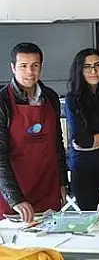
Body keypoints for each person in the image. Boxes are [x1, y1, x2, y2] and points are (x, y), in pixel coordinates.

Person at [0, 43, 67, 223]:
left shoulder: (51, 97)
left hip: (47, 186)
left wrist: (62, 182)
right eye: (23, 66)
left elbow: (57, 144)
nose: (30, 72)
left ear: (41, 67)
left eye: (35, 65)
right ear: (13, 68)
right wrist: (15, 198)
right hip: (16, 189)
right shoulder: (3, 101)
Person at [65, 48, 99, 211]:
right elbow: (83, 141)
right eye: (87, 67)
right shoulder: (73, 99)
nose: (94, 71)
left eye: (98, 65)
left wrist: (96, 141)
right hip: (84, 172)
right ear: (79, 70)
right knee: (92, 220)